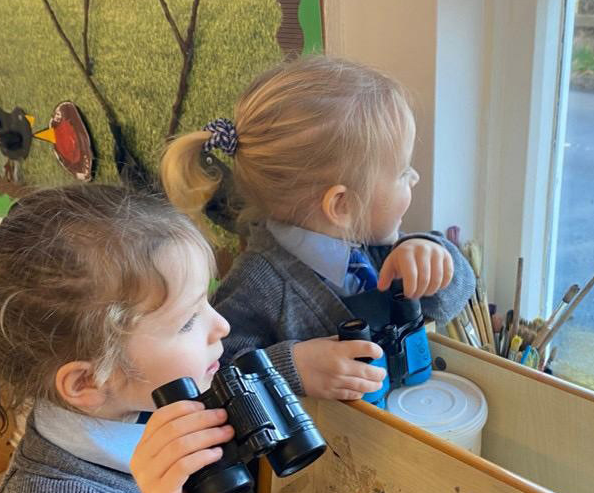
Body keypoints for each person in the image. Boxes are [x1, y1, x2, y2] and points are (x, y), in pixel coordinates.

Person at [0, 184, 265, 493]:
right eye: (187, 321)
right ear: (88, 381)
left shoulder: (141, 401)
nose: (222, 326)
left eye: (207, 300)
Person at [162, 55, 475, 399]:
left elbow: (451, 301)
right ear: (342, 206)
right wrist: (293, 368)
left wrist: (435, 256)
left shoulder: (379, 245)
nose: (414, 178)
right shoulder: (257, 285)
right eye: (402, 173)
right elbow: (213, 381)